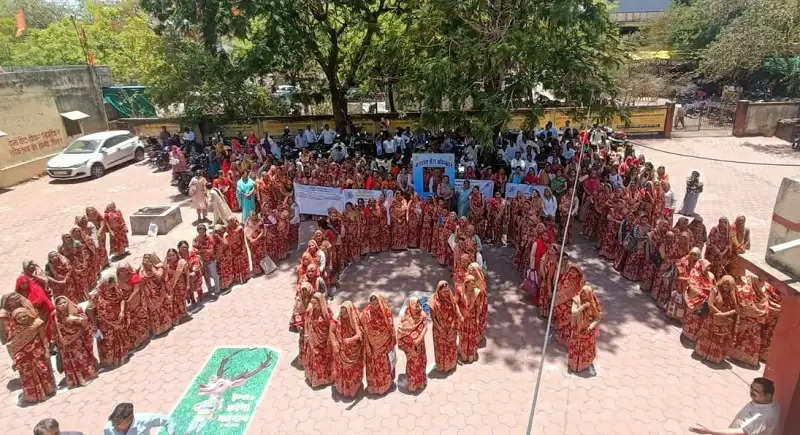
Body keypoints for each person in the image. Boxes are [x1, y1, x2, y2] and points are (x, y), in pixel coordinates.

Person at [689, 377, 779, 435]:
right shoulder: (763, 401)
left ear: (768, 395)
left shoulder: (764, 416)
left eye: (756, 391)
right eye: (751, 387)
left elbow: (741, 432)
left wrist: (708, 431)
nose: (751, 392)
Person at [6, 307, 56, 404]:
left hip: (38, 354)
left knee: (43, 371)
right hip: (24, 358)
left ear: (28, 314)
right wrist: (15, 360)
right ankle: (34, 396)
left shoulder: (37, 323)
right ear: (15, 320)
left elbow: (44, 338)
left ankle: (48, 391)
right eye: (19, 318)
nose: (23, 319)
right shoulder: (14, 331)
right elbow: (12, 347)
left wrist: (46, 351)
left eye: (24, 316)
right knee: (28, 376)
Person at [53, 295, 98, 388]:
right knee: (71, 361)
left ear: (68, 302)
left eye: (64, 302)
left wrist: (77, 320)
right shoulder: (56, 316)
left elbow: (85, 324)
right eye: (59, 304)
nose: (62, 305)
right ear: (56, 306)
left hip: (77, 341)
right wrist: (62, 340)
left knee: (81, 358)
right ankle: (78, 379)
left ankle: (87, 376)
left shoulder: (75, 311)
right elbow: (56, 330)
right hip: (65, 343)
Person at [694, 275, 738, 364]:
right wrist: (721, 314)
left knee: (718, 339)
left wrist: (724, 315)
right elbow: (710, 304)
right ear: (722, 282)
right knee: (707, 335)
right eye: (725, 284)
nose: (726, 287)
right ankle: (702, 353)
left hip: (722, 321)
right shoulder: (715, 290)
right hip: (712, 318)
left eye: (729, 285)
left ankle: (713, 357)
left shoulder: (731, 294)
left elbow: (736, 309)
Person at [729, 275, 769, 368]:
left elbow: (764, 306)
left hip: (751, 320)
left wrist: (754, 311)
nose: (760, 283)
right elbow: (744, 302)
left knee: (749, 338)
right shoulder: (747, 289)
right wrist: (757, 312)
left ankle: (742, 357)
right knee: (743, 337)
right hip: (748, 319)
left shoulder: (763, 291)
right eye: (759, 280)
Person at [361, 293, 396, 395]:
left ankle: (386, 386)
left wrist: (389, 342)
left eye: (376, 303)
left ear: (380, 302)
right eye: (372, 304)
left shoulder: (386, 312)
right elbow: (363, 329)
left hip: (384, 346)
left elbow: (391, 328)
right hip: (372, 347)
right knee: (373, 368)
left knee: (384, 367)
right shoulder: (365, 313)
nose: (374, 306)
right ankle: (374, 387)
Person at [92, 275, 130, 368]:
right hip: (105, 325)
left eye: (113, 284)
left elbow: (122, 299)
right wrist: (112, 323)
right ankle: (110, 361)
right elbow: (96, 312)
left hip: (118, 319)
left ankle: (122, 357)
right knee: (107, 342)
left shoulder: (115, 288)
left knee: (120, 338)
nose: (112, 286)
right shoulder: (97, 296)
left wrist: (121, 311)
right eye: (110, 285)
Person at [329, 301, 364, 398]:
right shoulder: (337, 320)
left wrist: (350, 339)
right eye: (342, 311)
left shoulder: (354, 321)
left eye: (345, 312)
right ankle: (342, 389)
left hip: (353, 352)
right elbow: (331, 331)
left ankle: (352, 390)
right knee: (342, 371)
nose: (343, 314)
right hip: (341, 351)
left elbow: (359, 334)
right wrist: (335, 343)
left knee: (352, 372)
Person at [569, 285, 603, 375]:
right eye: (582, 292)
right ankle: (574, 365)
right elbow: (574, 312)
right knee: (576, 347)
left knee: (585, 350)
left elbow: (598, 318)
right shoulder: (577, 300)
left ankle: (583, 365)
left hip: (588, 332)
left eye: (585, 293)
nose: (582, 294)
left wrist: (590, 327)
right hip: (577, 330)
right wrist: (583, 307)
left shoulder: (593, 304)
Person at [397, 297, 428, 392]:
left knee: (421, 362)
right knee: (413, 365)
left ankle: (421, 382)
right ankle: (413, 384)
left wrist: (419, 338)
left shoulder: (422, 315)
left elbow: (425, 327)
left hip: (420, 345)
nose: (418, 308)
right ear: (410, 306)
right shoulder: (405, 318)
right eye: (415, 306)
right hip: (410, 348)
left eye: (418, 305)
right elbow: (400, 332)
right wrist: (410, 344)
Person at [302, 293, 333, 387]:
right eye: (313, 303)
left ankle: (326, 379)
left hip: (324, 341)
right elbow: (307, 322)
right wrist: (307, 334)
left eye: (316, 304)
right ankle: (315, 379)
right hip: (313, 340)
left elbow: (331, 325)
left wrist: (329, 339)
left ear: (320, 303)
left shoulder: (327, 312)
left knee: (324, 360)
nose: (314, 306)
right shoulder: (311, 311)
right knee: (315, 359)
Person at [139, 254, 172, 336]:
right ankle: (157, 330)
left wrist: (151, 268)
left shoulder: (158, 267)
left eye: (147, 259)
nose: (145, 261)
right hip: (148, 294)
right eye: (144, 259)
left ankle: (166, 326)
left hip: (158, 292)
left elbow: (159, 276)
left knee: (161, 310)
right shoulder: (141, 270)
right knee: (153, 312)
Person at [429, 281, 459, 372]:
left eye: (447, 291)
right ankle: (442, 367)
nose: (446, 294)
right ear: (439, 291)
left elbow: (455, 312)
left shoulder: (451, 299)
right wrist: (440, 329)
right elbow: (433, 318)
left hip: (451, 328)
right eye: (444, 292)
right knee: (441, 349)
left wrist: (453, 325)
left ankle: (451, 364)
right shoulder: (433, 303)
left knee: (451, 346)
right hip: (439, 330)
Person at [456, 275, 482, 363]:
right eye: (472, 282)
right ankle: (463, 352)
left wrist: (477, 318)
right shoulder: (460, 291)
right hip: (463, 318)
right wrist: (459, 316)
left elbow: (478, 306)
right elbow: (456, 304)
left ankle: (470, 354)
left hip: (472, 318)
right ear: (466, 284)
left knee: (471, 336)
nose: (474, 284)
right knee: (463, 336)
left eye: (474, 282)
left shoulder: (477, 292)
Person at [104, 402, 173, 435]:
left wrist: (171, 433)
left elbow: (167, 420)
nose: (114, 426)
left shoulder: (145, 420)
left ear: (128, 420)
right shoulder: (108, 427)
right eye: (113, 422)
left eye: (118, 423)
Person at [163, 248, 190, 325]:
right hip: (171, 287)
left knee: (181, 301)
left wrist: (188, 285)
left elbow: (187, 275)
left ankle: (184, 315)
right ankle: (176, 317)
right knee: (173, 302)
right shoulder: (167, 264)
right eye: (169, 255)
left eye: (173, 255)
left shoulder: (182, 263)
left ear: (176, 255)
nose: (171, 257)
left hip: (180, 286)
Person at [192, 224, 219, 298]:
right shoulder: (195, 239)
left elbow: (211, 250)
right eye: (199, 231)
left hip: (211, 260)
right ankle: (210, 289)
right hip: (202, 261)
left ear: (205, 231)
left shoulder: (209, 238)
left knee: (214, 275)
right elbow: (194, 250)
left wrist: (200, 251)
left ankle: (217, 289)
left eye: (202, 231)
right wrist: (202, 251)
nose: (201, 232)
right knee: (206, 276)